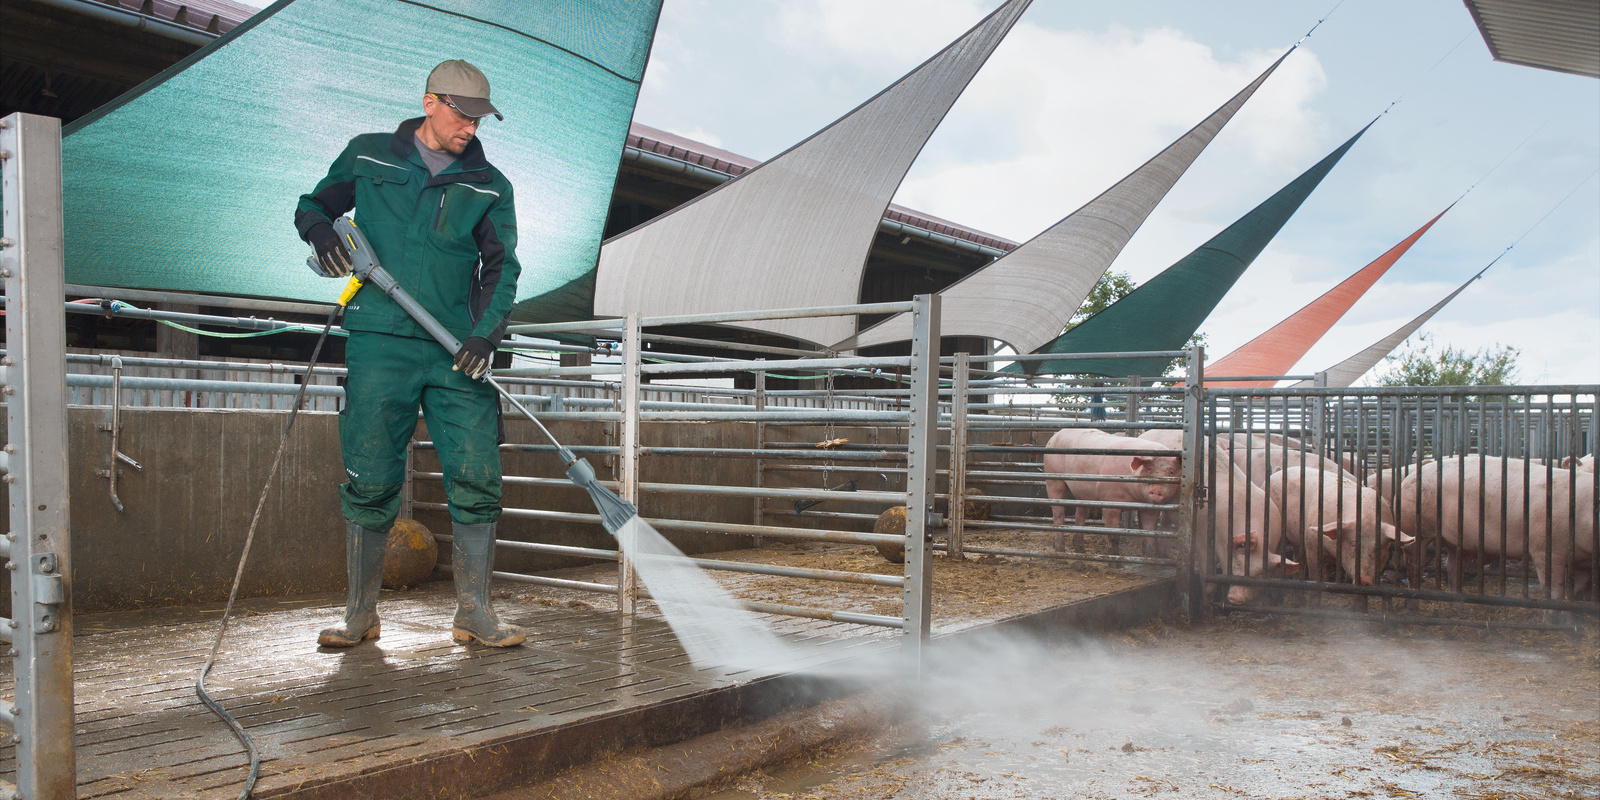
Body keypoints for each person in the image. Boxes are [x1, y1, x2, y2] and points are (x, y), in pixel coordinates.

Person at [295, 59, 524, 648]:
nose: (471, 128)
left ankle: (474, 611)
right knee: (370, 474)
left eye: (480, 119)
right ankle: (359, 615)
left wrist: (484, 336)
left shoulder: (490, 184)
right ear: (430, 102)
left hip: (455, 351)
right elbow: (313, 206)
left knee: (477, 473)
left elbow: (503, 268)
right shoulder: (368, 155)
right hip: (379, 341)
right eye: (461, 114)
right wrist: (321, 232)